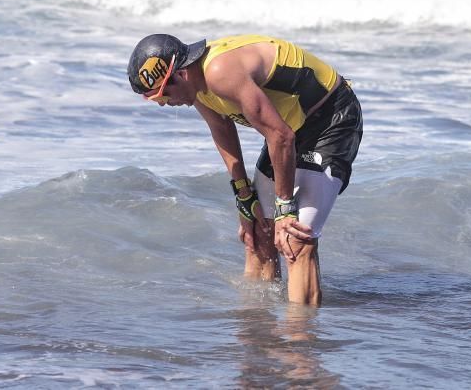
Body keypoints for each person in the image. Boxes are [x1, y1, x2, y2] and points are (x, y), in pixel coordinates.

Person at [127, 34, 363, 305]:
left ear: (181, 73)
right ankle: (256, 331)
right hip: (289, 127)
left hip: (330, 119)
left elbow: (281, 138)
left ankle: (299, 341)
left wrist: (285, 208)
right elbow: (222, 128)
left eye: (163, 94)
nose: (165, 103)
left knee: (295, 240)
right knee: (259, 228)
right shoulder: (197, 85)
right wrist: (244, 198)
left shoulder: (219, 73)